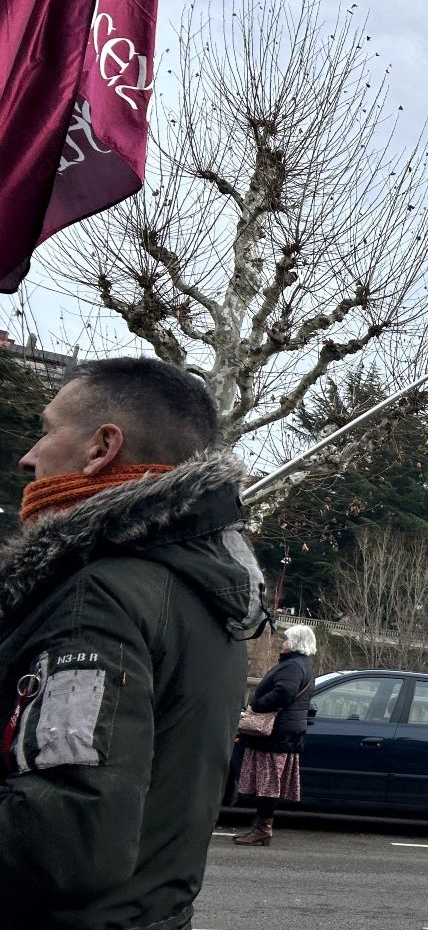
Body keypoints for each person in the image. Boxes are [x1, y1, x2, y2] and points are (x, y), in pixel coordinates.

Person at [0, 358, 267, 930]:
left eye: (47, 429)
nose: (30, 455)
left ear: (102, 447)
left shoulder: (97, 595)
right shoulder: (201, 590)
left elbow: (68, 836)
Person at [231, 623, 317, 845]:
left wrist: (258, 705)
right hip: (286, 732)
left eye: (286, 640)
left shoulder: (293, 666)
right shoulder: (304, 664)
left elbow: (284, 692)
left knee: (267, 784)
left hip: (277, 734)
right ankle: (261, 828)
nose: (284, 643)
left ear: (295, 643)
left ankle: (262, 829)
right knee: (267, 784)